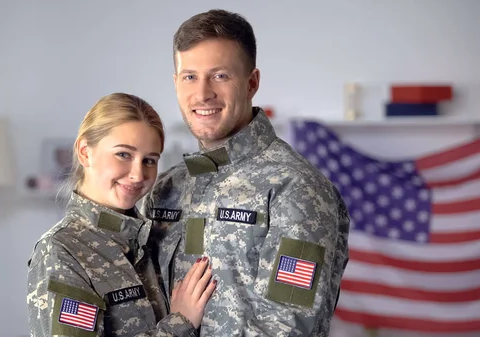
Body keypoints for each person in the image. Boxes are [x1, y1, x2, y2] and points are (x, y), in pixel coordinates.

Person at [141, 9, 350, 336]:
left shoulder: (296, 188)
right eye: (190, 77)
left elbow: (290, 328)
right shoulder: (167, 187)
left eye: (220, 75)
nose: (202, 94)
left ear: (252, 82)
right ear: (176, 83)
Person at [27, 92, 217, 337]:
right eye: (124, 154)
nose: (138, 174)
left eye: (149, 160)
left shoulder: (152, 240)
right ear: (85, 151)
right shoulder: (63, 251)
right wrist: (180, 323)